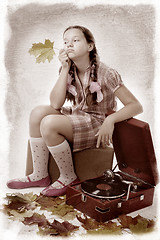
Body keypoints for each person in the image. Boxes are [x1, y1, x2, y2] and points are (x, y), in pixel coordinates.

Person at [7, 25, 143, 196]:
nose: (69, 45)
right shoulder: (69, 69)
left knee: (49, 124)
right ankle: (40, 175)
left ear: (90, 46)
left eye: (75, 40)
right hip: (79, 115)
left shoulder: (106, 73)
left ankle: (68, 176)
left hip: (97, 122)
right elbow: (55, 104)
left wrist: (110, 120)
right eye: (65, 41)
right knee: (37, 113)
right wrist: (64, 69)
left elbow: (136, 105)